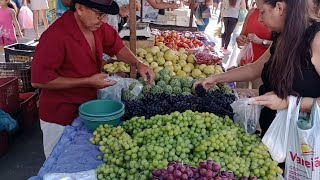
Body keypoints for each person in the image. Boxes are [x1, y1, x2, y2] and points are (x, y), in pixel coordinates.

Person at [31, 0, 155, 158]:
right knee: (60, 163)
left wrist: (138, 64)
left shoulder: (97, 27)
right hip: (59, 116)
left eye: (105, 15)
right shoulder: (56, 35)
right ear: (80, 8)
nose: (103, 20)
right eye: (99, 14)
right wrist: (87, 81)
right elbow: (39, 80)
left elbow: (117, 47)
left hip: (89, 111)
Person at [194, 0, 320, 137]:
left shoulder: (316, 39)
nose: (259, 18)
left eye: (262, 12)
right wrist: (216, 79)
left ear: (279, 8)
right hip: (273, 134)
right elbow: (254, 69)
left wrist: (288, 103)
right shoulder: (283, 37)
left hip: (304, 143)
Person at [235, 7, 272, 89]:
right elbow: (242, 33)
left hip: (262, 67)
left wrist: (261, 41)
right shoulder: (252, 11)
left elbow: (280, 44)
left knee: (257, 96)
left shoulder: (276, 15)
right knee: (239, 94)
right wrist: (240, 39)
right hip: (245, 63)